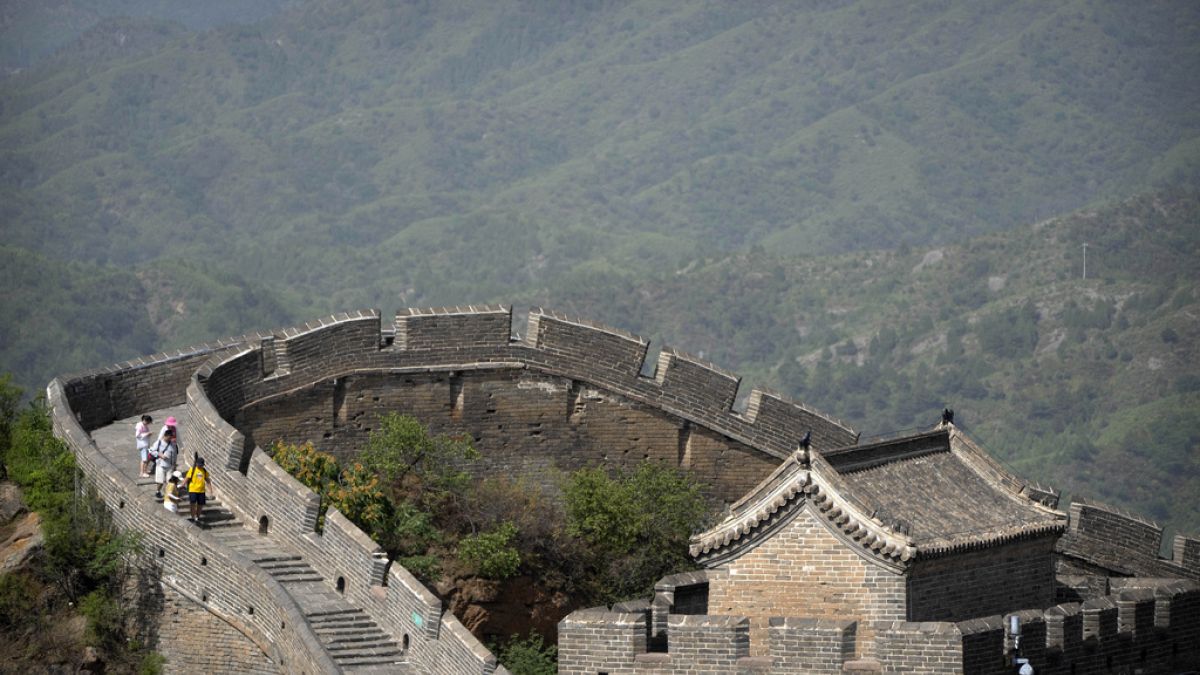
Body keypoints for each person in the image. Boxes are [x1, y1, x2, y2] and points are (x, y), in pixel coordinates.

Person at [153, 430, 179, 499]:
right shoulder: (158, 442)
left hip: (170, 466)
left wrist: (174, 464)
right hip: (160, 465)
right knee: (160, 481)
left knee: (170, 481)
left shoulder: (173, 444)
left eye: (171, 437)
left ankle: (168, 494)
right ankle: (158, 491)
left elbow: (175, 454)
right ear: (165, 436)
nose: (170, 439)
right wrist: (159, 454)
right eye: (169, 437)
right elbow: (151, 450)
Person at [183, 457, 208, 524]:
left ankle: (197, 517)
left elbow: (207, 480)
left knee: (200, 505)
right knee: (192, 504)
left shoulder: (204, 471)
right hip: (193, 490)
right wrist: (183, 484)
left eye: (201, 465)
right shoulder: (192, 469)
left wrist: (211, 490)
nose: (200, 466)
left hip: (201, 491)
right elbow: (187, 478)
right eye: (199, 464)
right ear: (196, 463)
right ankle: (193, 517)